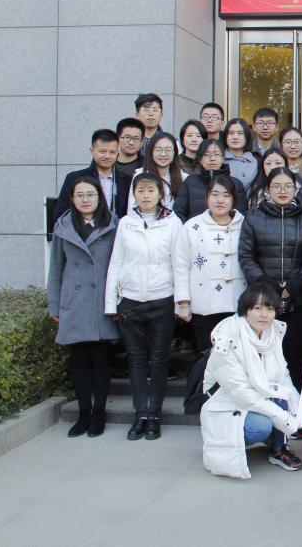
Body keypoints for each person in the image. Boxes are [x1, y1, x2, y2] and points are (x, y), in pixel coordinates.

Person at [105, 172, 182, 442]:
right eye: (141, 190)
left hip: (162, 298)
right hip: (130, 300)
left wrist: (181, 300)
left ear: (161, 194)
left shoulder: (172, 222)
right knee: (136, 359)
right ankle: (140, 414)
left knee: (159, 359)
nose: (146, 195)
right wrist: (111, 303)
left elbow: (179, 263)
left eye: (151, 190)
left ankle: (155, 415)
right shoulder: (126, 223)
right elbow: (116, 262)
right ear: (134, 194)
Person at [200, 282, 302, 478]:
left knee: (286, 401)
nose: (264, 315)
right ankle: (226, 442)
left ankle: (278, 450)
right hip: (228, 404)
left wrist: (298, 408)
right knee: (261, 426)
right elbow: (242, 394)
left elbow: (283, 375)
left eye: (270, 309)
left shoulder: (271, 335)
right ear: (245, 310)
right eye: (257, 308)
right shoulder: (227, 340)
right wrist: (284, 419)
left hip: (256, 397)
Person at [48, 177, 118, 438]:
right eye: (80, 195)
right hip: (74, 302)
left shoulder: (113, 224)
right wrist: (55, 305)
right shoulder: (63, 226)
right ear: (72, 199)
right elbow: (56, 268)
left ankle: (99, 413)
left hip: (101, 301)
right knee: (79, 361)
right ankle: (83, 413)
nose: (85, 199)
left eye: (90, 194)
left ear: (100, 197)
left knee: (100, 361)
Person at [238, 167, 302, 390]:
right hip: (263, 300)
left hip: (298, 299)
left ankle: (295, 406)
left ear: (296, 189)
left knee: (294, 357)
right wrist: (266, 283)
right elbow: (246, 256)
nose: (283, 191)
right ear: (267, 190)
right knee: (263, 359)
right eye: (277, 186)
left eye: (288, 186)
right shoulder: (253, 218)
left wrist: (298, 281)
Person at [173, 175, 247, 354]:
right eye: (215, 194)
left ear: (234, 199)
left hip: (238, 304)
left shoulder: (245, 225)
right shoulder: (192, 227)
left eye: (226, 195)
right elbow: (181, 266)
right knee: (206, 359)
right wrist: (183, 302)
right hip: (204, 305)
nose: (220, 200)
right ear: (206, 197)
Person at [55, 129, 130, 220]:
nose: (107, 156)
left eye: (112, 152)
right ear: (92, 151)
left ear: (118, 152)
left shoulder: (127, 180)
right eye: (102, 151)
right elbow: (61, 214)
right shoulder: (74, 178)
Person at [173, 139, 247, 221]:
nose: (212, 158)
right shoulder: (190, 182)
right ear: (200, 159)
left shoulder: (235, 184)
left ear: (223, 158)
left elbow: (240, 216)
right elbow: (178, 212)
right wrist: (190, 227)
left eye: (217, 154)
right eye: (207, 155)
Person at [127, 132, 185, 216]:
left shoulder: (183, 177)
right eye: (158, 150)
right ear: (151, 152)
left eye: (168, 150)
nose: (163, 154)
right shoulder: (140, 175)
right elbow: (132, 209)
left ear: (175, 152)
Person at [224, 118, 259, 187]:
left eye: (240, 133)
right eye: (231, 133)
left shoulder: (256, 161)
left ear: (247, 136)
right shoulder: (218, 159)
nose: (235, 137)